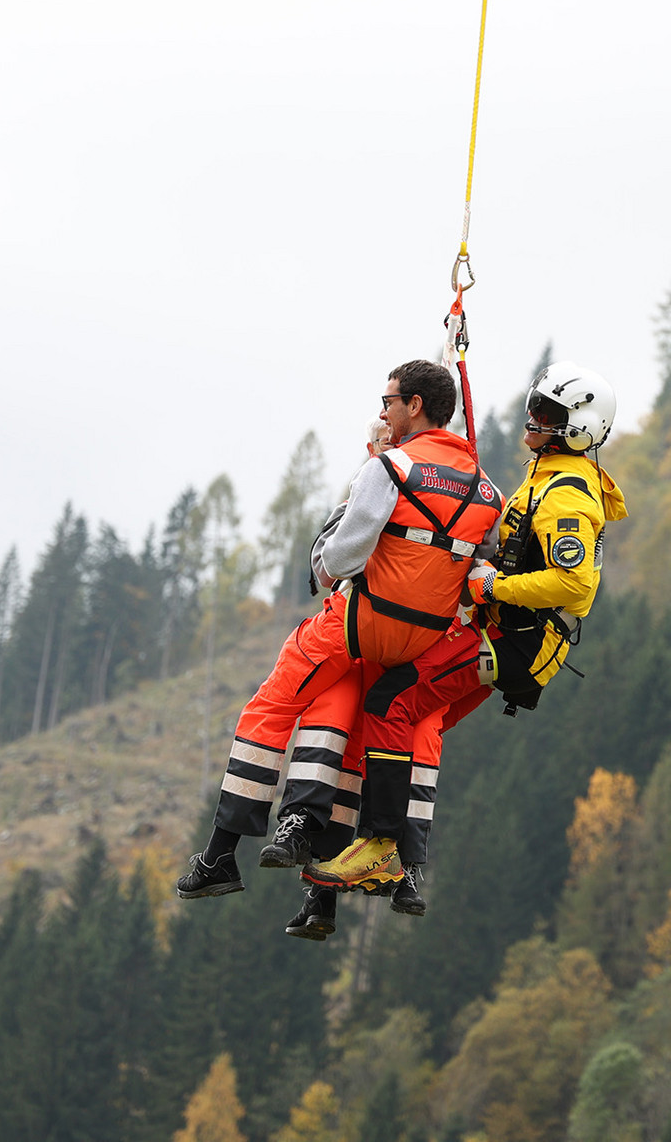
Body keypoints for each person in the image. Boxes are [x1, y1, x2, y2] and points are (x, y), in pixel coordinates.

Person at [177, 359, 504, 899]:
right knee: (370, 725)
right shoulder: (488, 493)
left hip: (358, 625)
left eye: (389, 402)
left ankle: (220, 854)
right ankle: (364, 873)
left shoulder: (390, 467)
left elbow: (343, 554)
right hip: (421, 644)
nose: (383, 411)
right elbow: (479, 568)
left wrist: (331, 545)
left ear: (414, 406)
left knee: (273, 707)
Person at [305, 361, 627, 894]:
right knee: (406, 725)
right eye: (533, 406)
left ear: (578, 427)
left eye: (545, 413)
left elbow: (575, 588)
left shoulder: (568, 493)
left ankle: (381, 846)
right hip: (507, 635)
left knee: (390, 703)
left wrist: (491, 587)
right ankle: (394, 859)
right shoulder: (547, 476)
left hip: (515, 643)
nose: (532, 418)